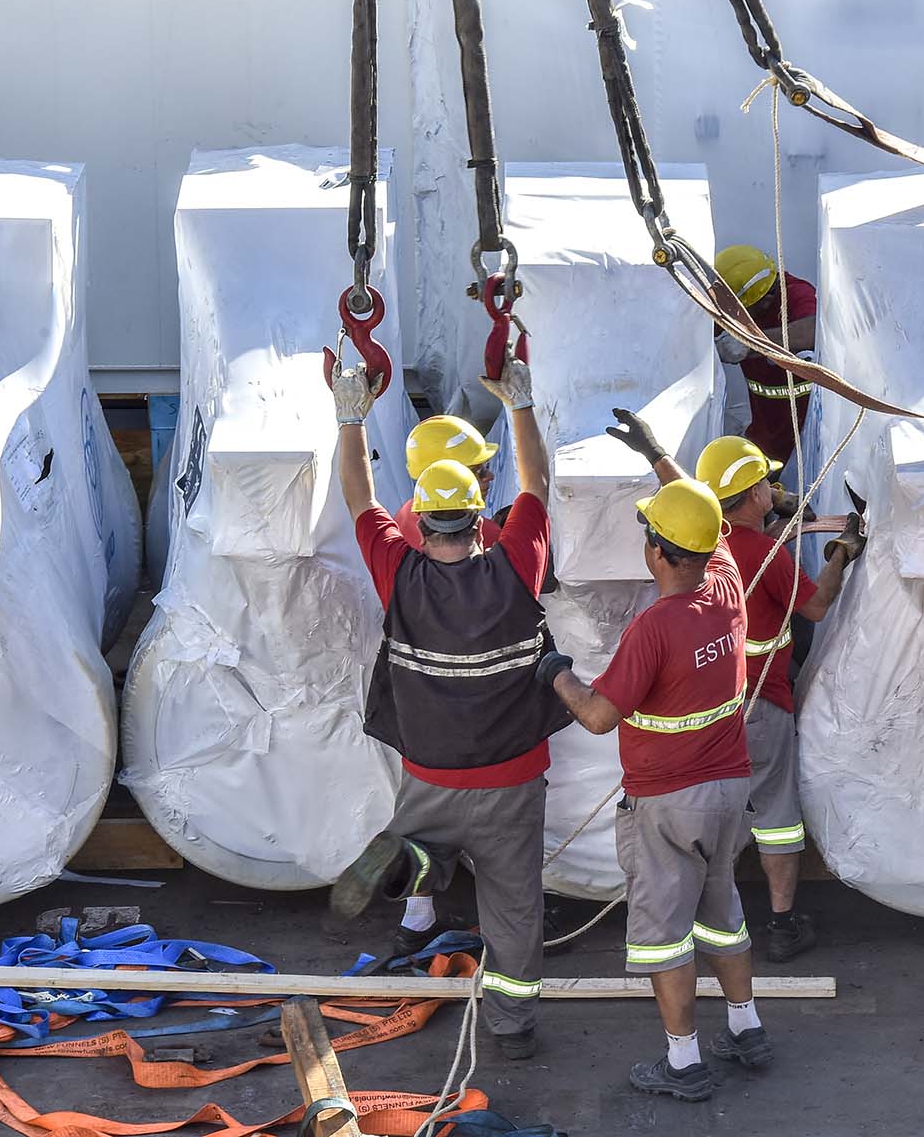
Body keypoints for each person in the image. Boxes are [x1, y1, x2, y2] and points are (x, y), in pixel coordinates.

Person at [325, 354, 566, 1061]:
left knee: (432, 841)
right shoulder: (517, 566)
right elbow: (537, 485)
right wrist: (520, 404)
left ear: (423, 520)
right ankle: (512, 1026)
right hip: (512, 778)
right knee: (514, 906)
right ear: (479, 516)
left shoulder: (397, 571)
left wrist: (349, 417)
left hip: (429, 772)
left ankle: (415, 863)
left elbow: (358, 497)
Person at [543, 408, 766, 1103]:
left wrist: (556, 673)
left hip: (667, 802)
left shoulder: (653, 628)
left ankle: (683, 1063)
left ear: (657, 553)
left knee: (666, 937)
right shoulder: (726, 588)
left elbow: (598, 715)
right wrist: (659, 456)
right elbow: (707, 527)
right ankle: (747, 1028)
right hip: (728, 790)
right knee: (722, 912)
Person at [691, 433, 865, 962]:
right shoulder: (767, 554)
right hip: (760, 705)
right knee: (776, 815)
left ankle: (704, 921)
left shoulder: (699, 542)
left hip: (707, 709)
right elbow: (815, 607)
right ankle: (783, 925)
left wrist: (775, 521)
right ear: (753, 495)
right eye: (767, 483)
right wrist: (841, 553)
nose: (774, 487)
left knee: (713, 812)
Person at [714, 243, 816, 463]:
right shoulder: (736, 300)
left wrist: (751, 343)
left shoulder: (796, 293)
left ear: (765, 299)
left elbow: (812, 330)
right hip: (764, 434)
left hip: (805, 432)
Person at [395, 414, 503, 551]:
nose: (490, 476)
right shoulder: (487, 534)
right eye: (479, 471)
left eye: (486, 467)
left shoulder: (404, 515)